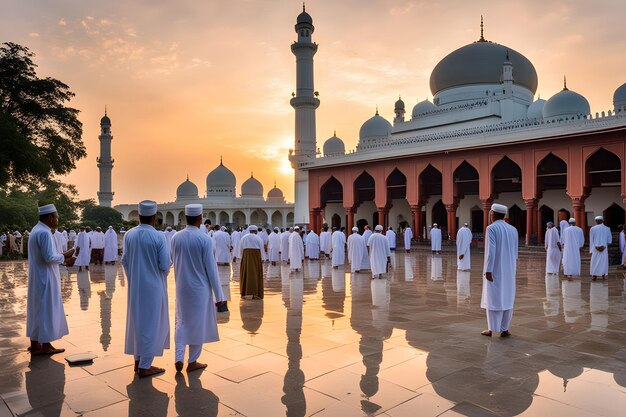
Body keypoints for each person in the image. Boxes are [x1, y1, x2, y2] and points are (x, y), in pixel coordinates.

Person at [170, 204, 226, 373]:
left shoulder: (175, 238)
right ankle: (192, 361)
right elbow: (211, 269)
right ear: (200, 219)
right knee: (197, 324)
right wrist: (220, 295)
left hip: (182, 287)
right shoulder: (204, 239)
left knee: (181, 322)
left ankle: (178, 357)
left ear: (186, 218)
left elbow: (172, 259)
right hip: (200, 290)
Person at [121, 200, 172, 378]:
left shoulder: (129, 234)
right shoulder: (158, 236)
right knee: (152, 324)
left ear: (140, 216)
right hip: (154, 287)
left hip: (135, 287)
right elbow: (165, 264)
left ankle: (138, 361)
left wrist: (133, 277)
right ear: (155, 217)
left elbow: (124, 261)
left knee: (138, 323)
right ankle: (145, 366)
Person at [26, 204, 76, 355]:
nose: (57, 219)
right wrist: (66, 257)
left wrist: (62, 256)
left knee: (37, 309)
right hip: (45, 277)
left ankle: (35, 344)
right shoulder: (45, 232)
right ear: (49, 217)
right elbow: (49, 257)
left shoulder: (37, 229)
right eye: (56, 216)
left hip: (38, 276)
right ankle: (46, 345)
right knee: (46, 309)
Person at [481, 203, 518, 337]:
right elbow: (515, 252)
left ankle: (491, 329)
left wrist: (489, 270)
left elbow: (491, 251)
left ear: (492, 214)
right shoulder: (513, 229)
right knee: (507, 297)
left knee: (493, 298)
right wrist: (513, 267)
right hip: (509, 268)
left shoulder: (491, 228)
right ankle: (504, 329)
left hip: (495, 269)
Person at [239, 225, 264, 299]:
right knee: (256, 275)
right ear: (256, 231)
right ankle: (256, 293)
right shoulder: (258, 238)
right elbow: (262, 250)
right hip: (256, 259)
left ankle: (245, 293)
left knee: (245, 274)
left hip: (246, 259)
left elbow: (240, 250)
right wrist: (263, 259)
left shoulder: (244, 238)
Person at [589, 216, 612, 281]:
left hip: (595, 248)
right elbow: (609, 241)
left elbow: (591, 240)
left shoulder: (592, 228)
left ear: (596, 221)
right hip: (604, 248)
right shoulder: (607, 228)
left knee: (594, 262)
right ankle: (603, 275)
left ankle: (594, 276)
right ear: (603, 221)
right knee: (603, 262)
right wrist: (603, 246)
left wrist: (593, 249)